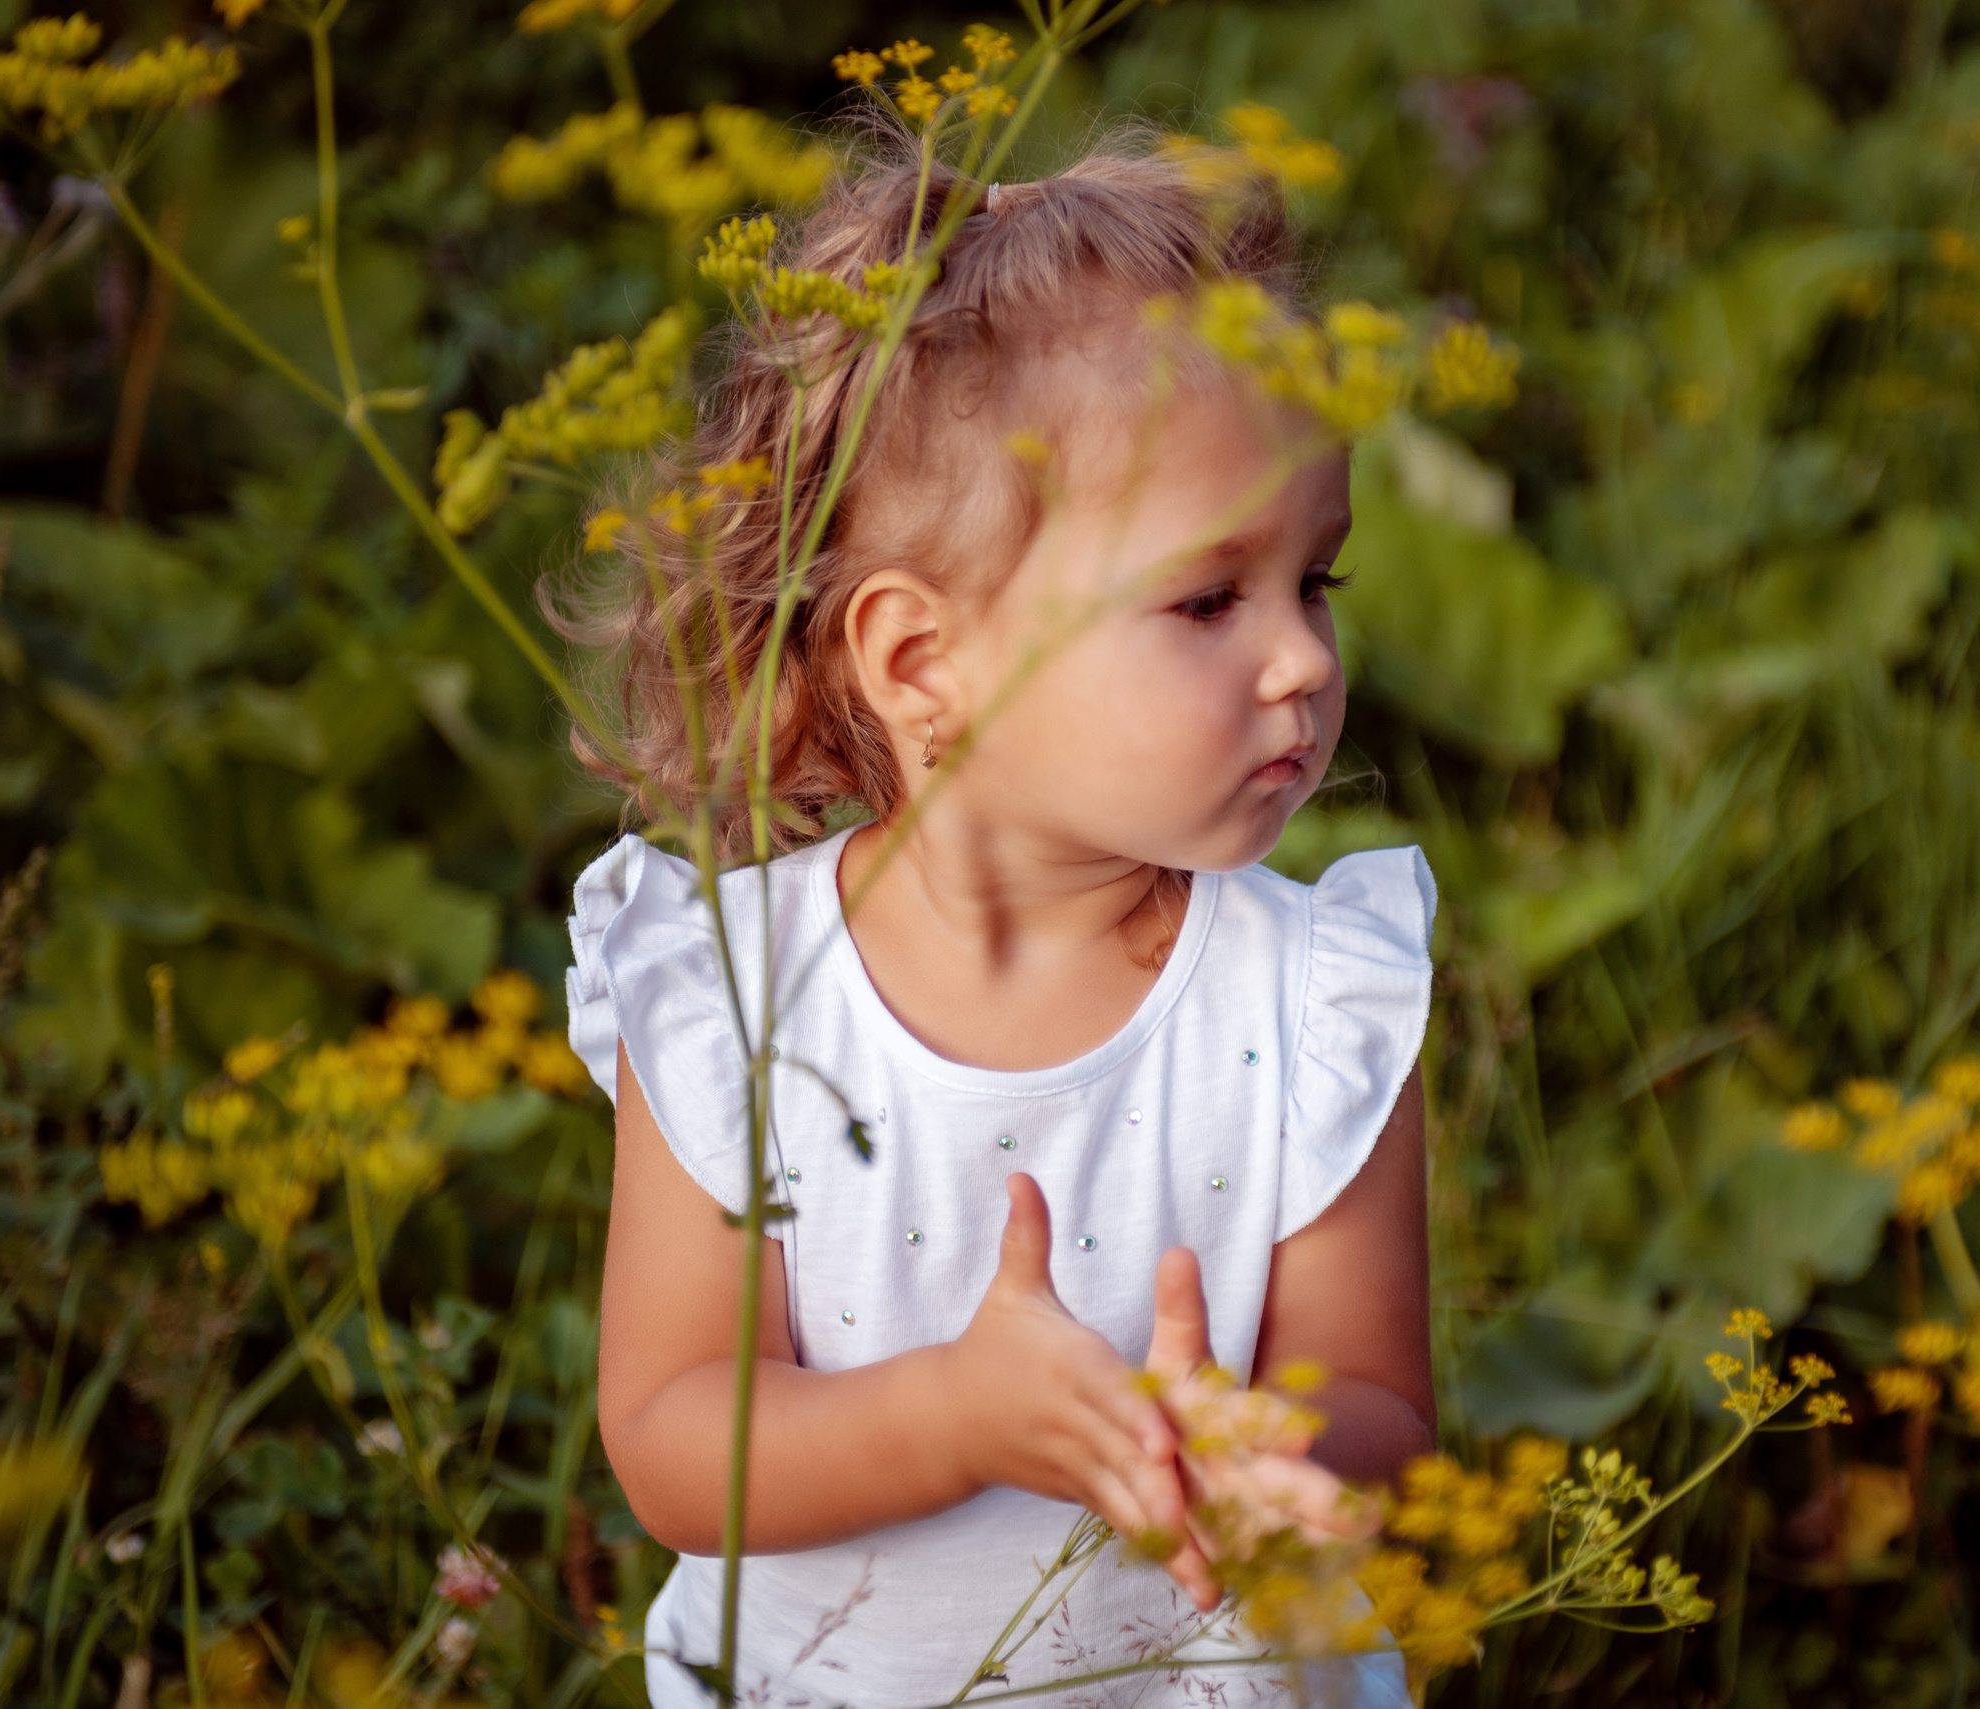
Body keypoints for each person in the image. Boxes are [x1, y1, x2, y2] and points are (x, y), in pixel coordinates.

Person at [566, 136, 1435, 1708]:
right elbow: (675, 1440)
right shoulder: (738, 999)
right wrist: (955, 1417)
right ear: (922, 663)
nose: (1304, 660)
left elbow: (1382, 1400)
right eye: (1207, 599)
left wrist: (1267, 1449)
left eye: (1320, 580)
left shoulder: (1314, 999)